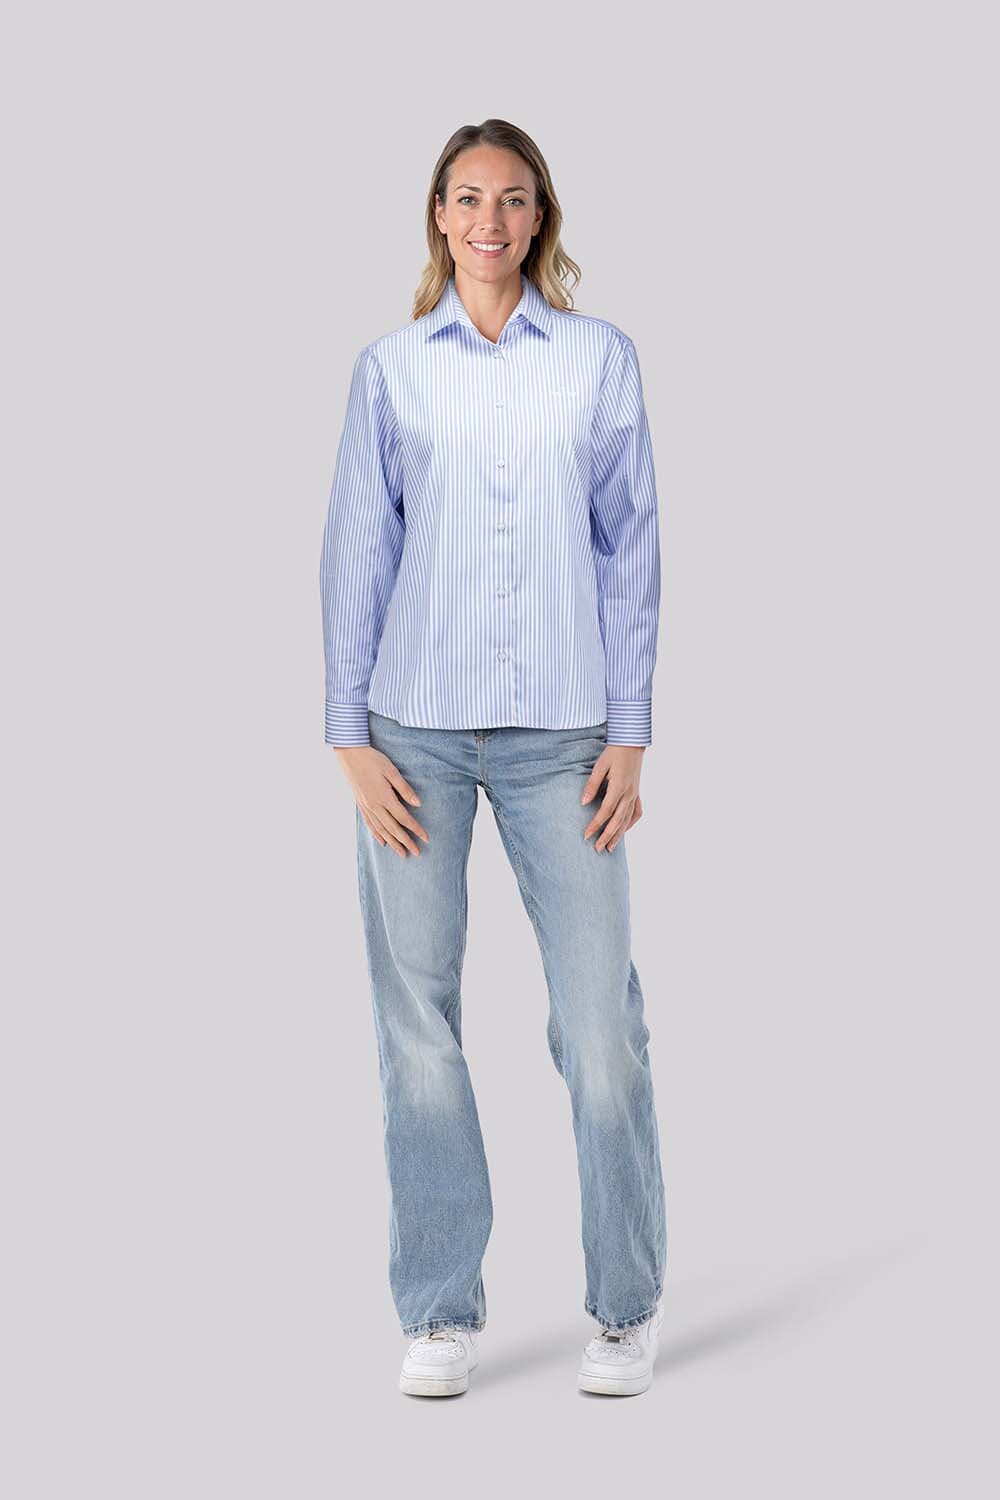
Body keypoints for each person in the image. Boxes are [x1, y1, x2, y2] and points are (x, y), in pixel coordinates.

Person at [319, 119, 668, 1397]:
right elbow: (357, 550)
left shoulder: (597, 360)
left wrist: (628, 729)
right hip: (410, 736)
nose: (488, 220)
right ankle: (440, 1311)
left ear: (539, 217)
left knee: (599, 1024)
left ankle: (625, 1307)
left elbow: (630, 545)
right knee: (417, 1027)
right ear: (437, 214)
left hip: (562, 739)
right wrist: (349, 736)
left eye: (511, 199)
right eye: (467, 197)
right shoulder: (390, 370)